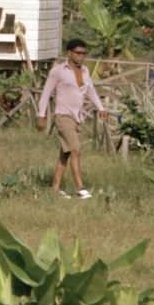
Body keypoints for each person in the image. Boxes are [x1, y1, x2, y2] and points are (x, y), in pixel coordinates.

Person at [36, 38, 106, 199]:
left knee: (65, 154)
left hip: (77, 117)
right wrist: (41, 115)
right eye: (78, 53)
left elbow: (91, 91)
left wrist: (101, 108)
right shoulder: (58, 71)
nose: (81, 57)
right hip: (63, 116)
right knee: (75, 149)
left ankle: (55, 188)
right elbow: (46, 93)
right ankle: (80, 188)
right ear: (70, 53)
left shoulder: (85, 71)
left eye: (84, 54)